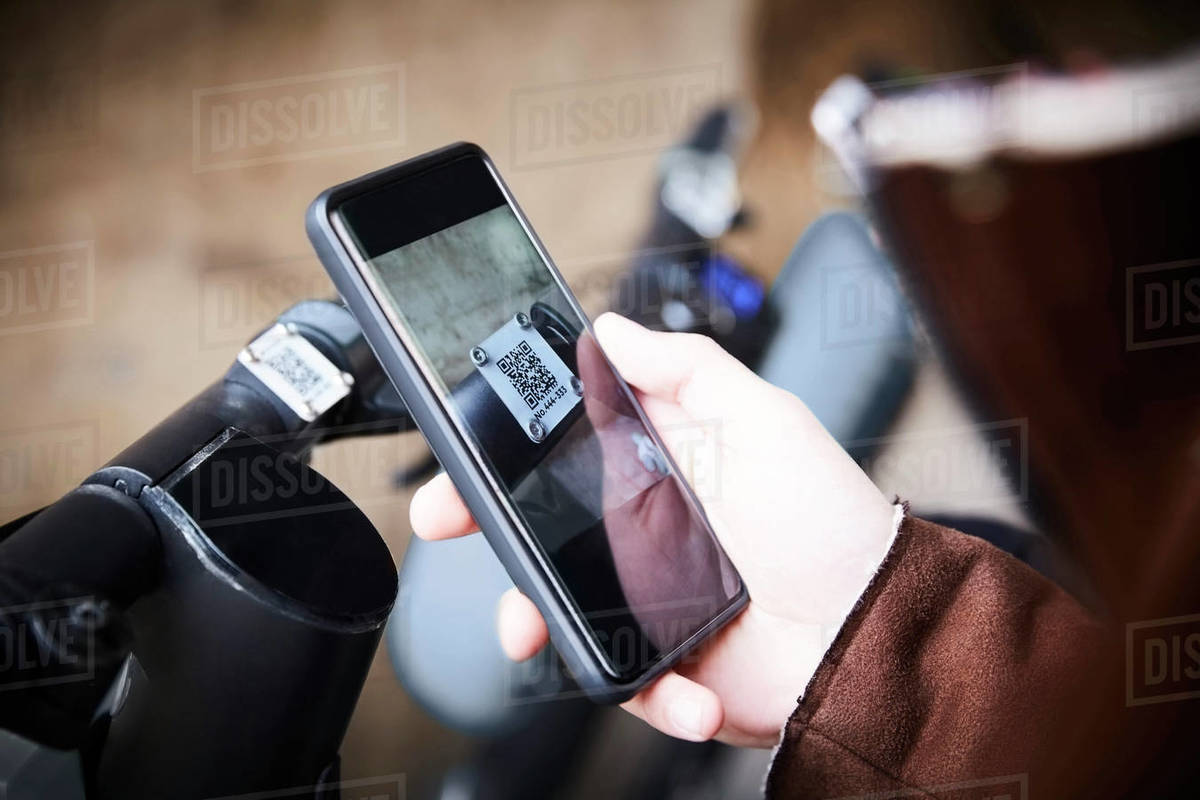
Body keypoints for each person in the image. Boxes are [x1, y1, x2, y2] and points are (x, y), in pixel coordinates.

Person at [410, 44, 1200, 800]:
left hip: (854, 699)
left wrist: (874, 650)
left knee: (561, 603)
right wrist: (869, 631)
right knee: (585, 592)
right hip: (884, 673)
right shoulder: (1137, 613)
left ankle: (669, 276)